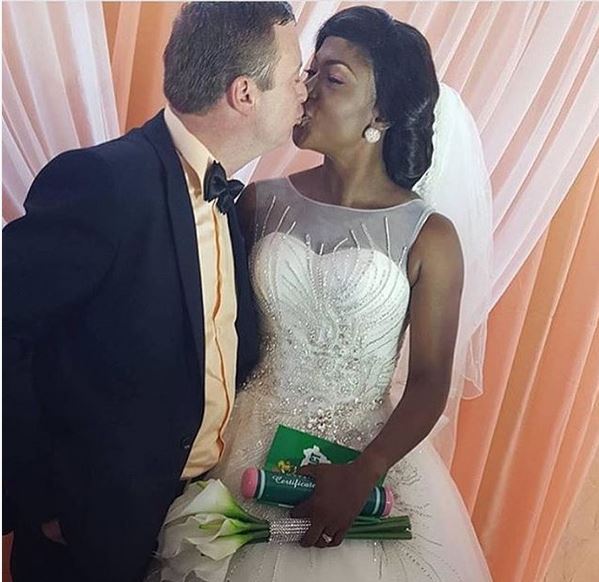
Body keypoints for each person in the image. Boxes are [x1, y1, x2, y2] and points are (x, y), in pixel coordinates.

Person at [158, 6, 492, 582]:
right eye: (309, 72)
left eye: (333, 78)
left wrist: (365, 472)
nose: (306, 90)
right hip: (242, 448)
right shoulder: (256, 202)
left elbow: (430, 379)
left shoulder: (429, 236)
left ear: (381, 112)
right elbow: (217, 332)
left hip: (361, 460)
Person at [2, 3, 307, 581]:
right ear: (244, 93)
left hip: (198, 519)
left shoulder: (235, 199)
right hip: (91, 532)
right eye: (294, 73)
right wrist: (42, 497)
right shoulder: (105, 182)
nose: (303, 87)